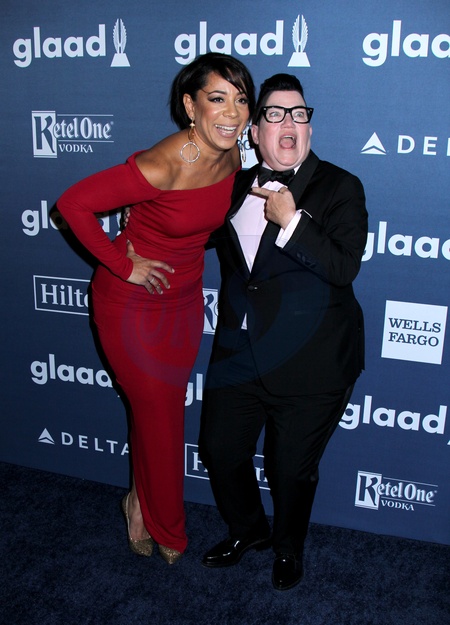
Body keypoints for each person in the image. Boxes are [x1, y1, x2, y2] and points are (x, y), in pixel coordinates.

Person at [57, 53, 255, 564]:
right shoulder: (164, 163)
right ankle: (163, 522)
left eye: (240, 100)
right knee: (161, 415)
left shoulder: (234, 154)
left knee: (157, 412)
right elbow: (72, 205)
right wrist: (123, 265)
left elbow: (209, 222)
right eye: (217, 99)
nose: (232, 112)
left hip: (184, 300)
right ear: (190, 106)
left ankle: (137, 499)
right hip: (133, 305)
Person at [198, 73, 368, 589]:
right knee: (220, 451)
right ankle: (248, 529)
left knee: (290, 468)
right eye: (275, 114)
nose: (289, 122)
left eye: (299, 113)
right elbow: (198, 235)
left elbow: (343, 268)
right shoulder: (232, 185)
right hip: (241, 353)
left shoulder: (341, 187)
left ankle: (288, 547)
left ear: (309, 127)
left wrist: (292, 222)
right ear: (255, 132)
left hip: (313, 361)